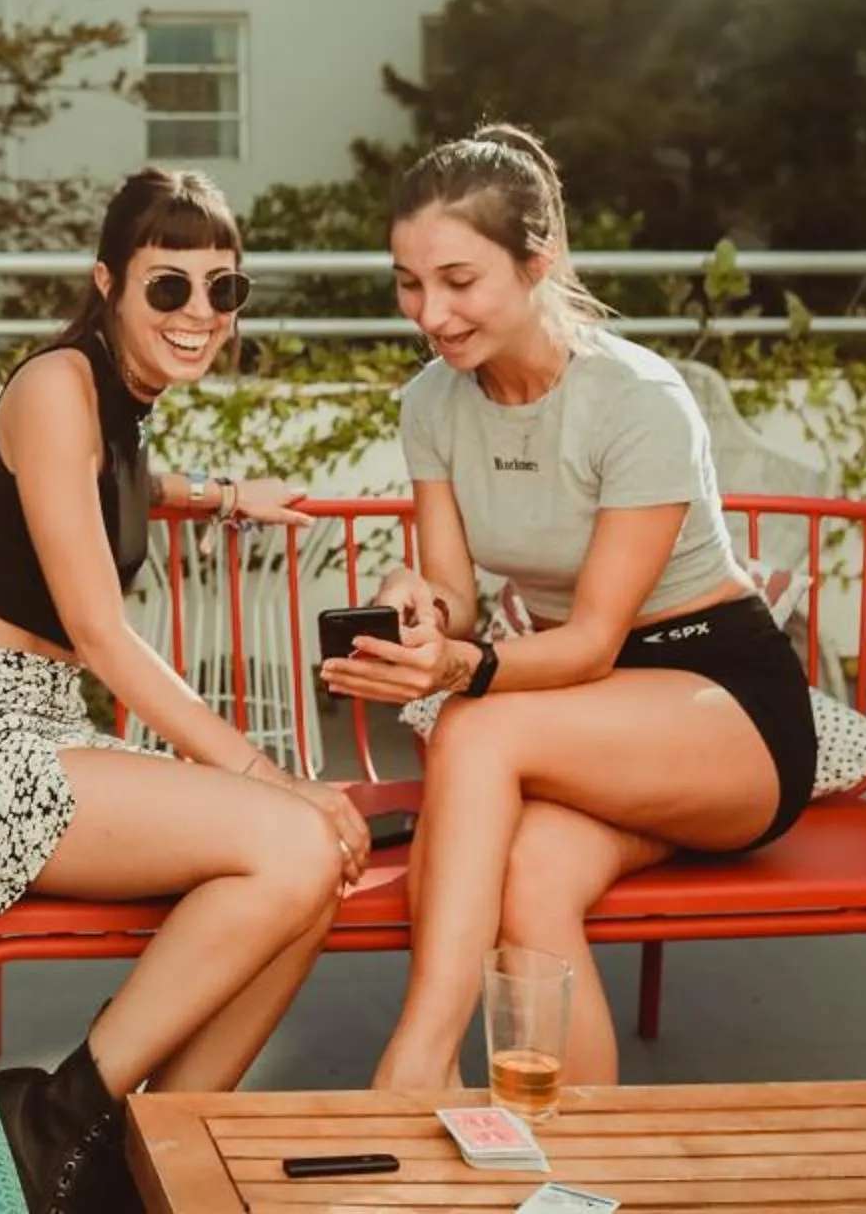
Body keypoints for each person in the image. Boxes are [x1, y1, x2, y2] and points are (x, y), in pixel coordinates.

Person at [0, 168, 372, 1214]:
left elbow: (122, 480)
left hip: (43, 733)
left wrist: (229, 494)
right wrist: (264, 772)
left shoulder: (115, 399)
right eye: (169, 286)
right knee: (293, 835)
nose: (199, 314)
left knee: (311, 872)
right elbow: (99, 632)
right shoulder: (57, 384)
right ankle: (59, 1120)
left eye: (221, 289)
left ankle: (144, 1166)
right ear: (107, 282)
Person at [318, 124, 817, 1090]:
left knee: (473, 730)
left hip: (723, 707)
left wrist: (464, 669)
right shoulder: (432, 404)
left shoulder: (637, 400)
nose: (430, 312)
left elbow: (589, 643)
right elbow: (458, 598)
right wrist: (415, 605)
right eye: (409, 282)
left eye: (460, 281)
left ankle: (416, 1068)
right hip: (592, 723)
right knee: (530, 882)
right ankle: (579, 1161)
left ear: (536, 262)